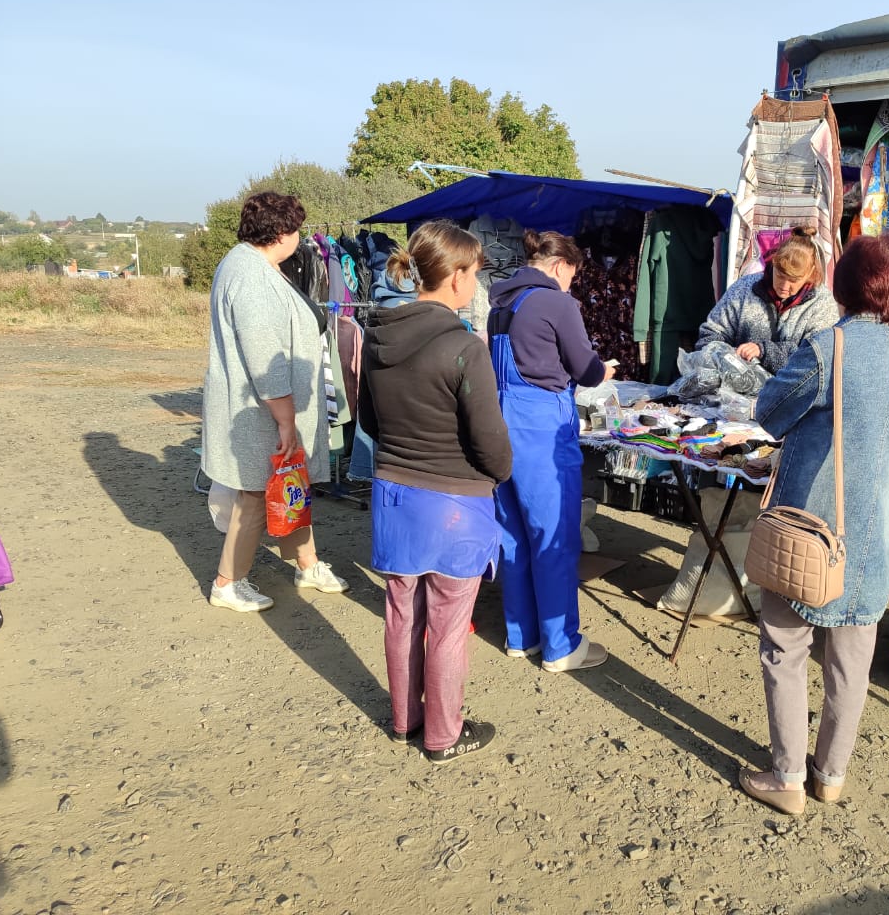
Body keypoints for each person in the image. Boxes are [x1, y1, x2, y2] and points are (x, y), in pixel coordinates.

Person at [739, 234, 889, 814]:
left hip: (810, 533)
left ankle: (788, 776)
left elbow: (769, 413)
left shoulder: (829, 347)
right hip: (876, 538)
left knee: (785, 650)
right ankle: (831, 775)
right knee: (851, 664)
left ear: (845, 285)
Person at [358, 220, 513, 764]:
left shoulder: (377, 337)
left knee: (402, 614)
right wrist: (495, 475)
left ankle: (406, 721)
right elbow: (491, 441)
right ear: (457, 277)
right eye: (476, 273)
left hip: (395, 495)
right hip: (455, 503)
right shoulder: (463, 347)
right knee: (447, 627)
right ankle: (443, 735)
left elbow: (370, 421)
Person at [201, 192, 350, 613]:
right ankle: (227, 582)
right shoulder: (252, 278)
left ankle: (308, 564)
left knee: (292, 484)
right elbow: (265, 357)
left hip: (263, 407)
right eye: (297, 229)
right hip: (261, 412)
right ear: (281, 232)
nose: (300, 237)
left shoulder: (252, 263)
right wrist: (286, 419)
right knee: (254, 495)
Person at [487, 230, 614, 672]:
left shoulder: (499, 304)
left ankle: (521, 637)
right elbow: (586, 368)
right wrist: (605, 368)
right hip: (541, 426)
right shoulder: (557, 302)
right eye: (573, 277)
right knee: (554, 538)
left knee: (514, 537)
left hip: (499, 423)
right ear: (562, 266)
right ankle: (562, 646)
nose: (572, 286)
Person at [695, 226, 840, 374]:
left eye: (793, 280)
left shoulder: (823, 304)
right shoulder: (744, 288)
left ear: (810, 274)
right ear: (773, 263)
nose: (784, 286)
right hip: (737, 388)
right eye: (780, 276)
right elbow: (710, 334)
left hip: (794, 392)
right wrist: (727, 358)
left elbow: (817, 357)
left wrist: (764, 351)